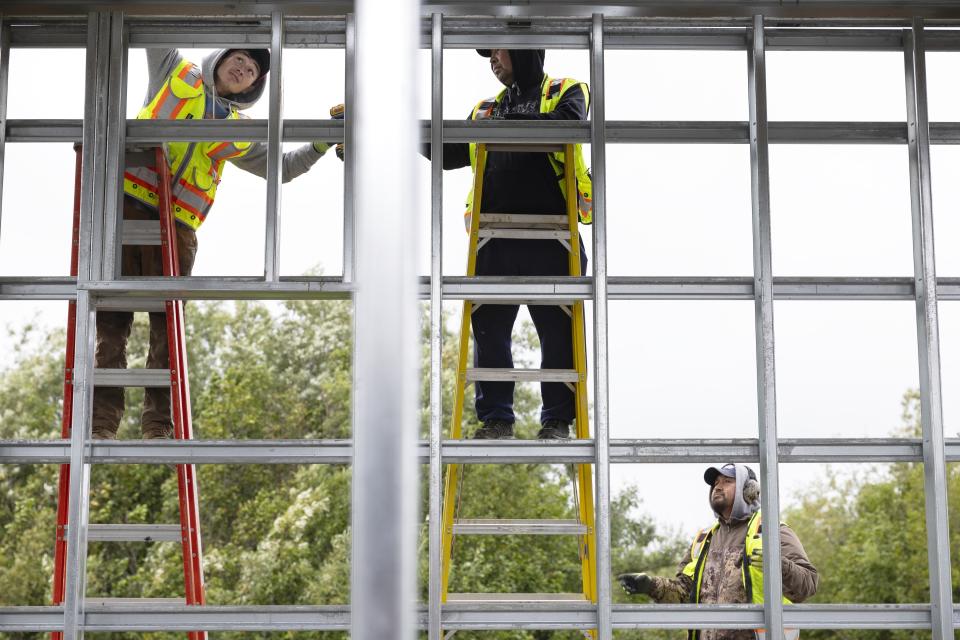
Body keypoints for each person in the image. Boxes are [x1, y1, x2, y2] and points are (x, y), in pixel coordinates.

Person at [92, 48, 339, 440]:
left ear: (253, 86)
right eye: (240, 59)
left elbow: (285, 168)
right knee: (111, 322)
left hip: (177, 229)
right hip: (128, 209)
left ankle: (157, 427)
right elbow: (154, 27)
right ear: (220, 58)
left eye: (252, 70)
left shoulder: (240, 129)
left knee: (167, 333)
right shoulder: (173, 71)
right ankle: (101, 426)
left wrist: (322, 144)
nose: (243, 69)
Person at [427, 48, 593, 440]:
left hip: (554, 235)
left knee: (558, 331)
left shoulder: (566, 90)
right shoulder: (486, 109)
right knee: (489, 329)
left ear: (523, 51)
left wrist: (505, 124)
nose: (491, 60)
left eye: (496, 51)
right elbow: (447, 150)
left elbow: (565, 125)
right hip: (494, 238)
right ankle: (496, 419)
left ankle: (556, 420)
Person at [618, 463, 819, 640]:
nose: (718, 486)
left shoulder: (770, 531)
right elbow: (683, 594)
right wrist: (650, 585)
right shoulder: (703, 539)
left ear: (749, 490)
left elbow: (808, 584)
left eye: (727, 481)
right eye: (715, 482)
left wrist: (778, 565)